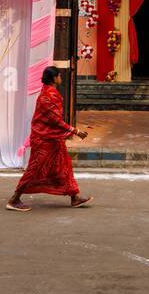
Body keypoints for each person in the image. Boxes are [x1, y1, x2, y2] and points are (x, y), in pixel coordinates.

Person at [6, 66, 92, 211]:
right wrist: (75, 130)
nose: (61, 78)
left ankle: (74, 197)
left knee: (64, 165)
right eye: (59, 75)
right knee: (35, 169)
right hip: (43, 139)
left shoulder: (49, 92)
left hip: (52, 139)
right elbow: (54, 120)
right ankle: (14, 199)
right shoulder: (48, 95)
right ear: (54, 78)